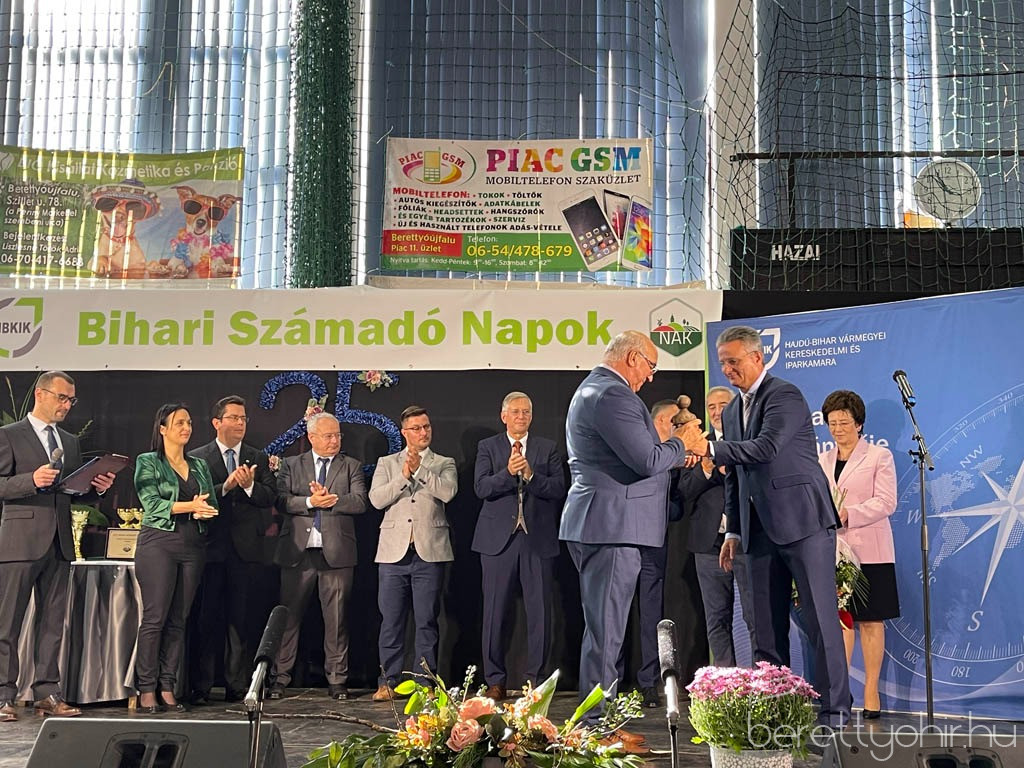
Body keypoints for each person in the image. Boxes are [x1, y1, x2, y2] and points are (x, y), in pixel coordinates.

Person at [679, 326, 851, 727]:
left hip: (804, 524)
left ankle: (835, 714)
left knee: (821, 624)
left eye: (733, 361)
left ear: (757, 358)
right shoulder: (732, 411)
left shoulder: (784, 395)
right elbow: (735, 477)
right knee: (765, 631)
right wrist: (733, 532)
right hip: (756, 533)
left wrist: (707, 447)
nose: (727, 369)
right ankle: (776, 714)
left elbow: (767, 448)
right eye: (722, 363)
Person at [560, 331, 689, 749]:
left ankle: (599, 721)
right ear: (633, 358)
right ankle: (595, 727)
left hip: (606, 524)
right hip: (610, 526)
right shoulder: (612, 394)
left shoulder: (599, 390)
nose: (651, 377)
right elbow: (647, 460)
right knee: (606, 633)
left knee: (606, 631)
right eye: (651, 366)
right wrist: (681, 444)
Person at [0, 371, 115, 722]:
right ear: (40, 394)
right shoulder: (9, 435)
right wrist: (30, 480)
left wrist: (96, 487)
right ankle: (3, 695)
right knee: (8, 623)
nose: (67, 405)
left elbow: (71, 490)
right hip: (20, 541)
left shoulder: (69, 441)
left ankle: (47, 693)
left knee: (52, 624)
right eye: (62, 398)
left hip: (60, 542)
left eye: (71, 400)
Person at [472, 391, 565, 701]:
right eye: (515, 412)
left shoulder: (547, 448)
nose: (521, 416)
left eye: (526, 412)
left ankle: (536, 680)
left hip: (537, 540)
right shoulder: (488, 447)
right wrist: (508, 474)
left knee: (540, 613)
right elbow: (481, 487)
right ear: (504, 416)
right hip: (497, 542)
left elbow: (558, 489)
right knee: (494, 612)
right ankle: (495, 680)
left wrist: (531, 475)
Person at [270, 412, 367, 701]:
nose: (335, 440)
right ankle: (279, 678)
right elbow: (281, 500)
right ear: (311, 437)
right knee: (288, 619)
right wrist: (311, 501)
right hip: (297, 553)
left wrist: (332, 500)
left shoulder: (351, 466)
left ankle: (337, 679)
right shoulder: (291, 464)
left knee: (337, 620)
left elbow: (360, 502)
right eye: (328, 436)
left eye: (338, 435)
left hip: (337, 555)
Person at [187, 395, 278, 705]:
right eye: (234, 418)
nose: (240, 423)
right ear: (217, 422)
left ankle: (237, 685)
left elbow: (270, 496)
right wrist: (226, 487)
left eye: (243, 419)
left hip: (245, 550)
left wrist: (249, 486)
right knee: (206, 618)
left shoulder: (256, 456)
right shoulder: (198, 457)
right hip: (209, 548)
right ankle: (201, 686)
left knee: (240, 621)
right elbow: (195, 496)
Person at [818, 389, 898, 720]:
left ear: (859, 423)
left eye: (844, 422)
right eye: (832, 423)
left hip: (871, 550)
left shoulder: (879, 456)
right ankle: (842, 692)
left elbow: (887, 501)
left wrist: (849, 513)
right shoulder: (822, 460)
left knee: (871, 619)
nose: (838, 429)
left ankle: (871, 693)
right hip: (834, 551)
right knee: (842, 620)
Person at [134, 403, 218, 714]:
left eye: (189, 422)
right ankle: (146, 688)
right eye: (179, 422)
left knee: (178, 620)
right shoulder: (148, 461)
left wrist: (204, 511)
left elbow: (211, 501)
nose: (186, 428)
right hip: (159, 542)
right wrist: (189, 506)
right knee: (155, 618)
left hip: (193, 544)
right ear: (162, 429)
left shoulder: (199, 464)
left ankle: (167, 685)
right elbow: (151, 503)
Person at [369, 405, 457, 702]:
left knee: (426, 620)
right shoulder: (387, 463)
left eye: (426, 427)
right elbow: (376, 499)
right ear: (404, 432)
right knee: (391, 621)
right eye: (417, 428)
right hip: (393, 554)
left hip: (429, 552)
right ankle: (388, 681)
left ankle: (424, 683)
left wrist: (420, 470)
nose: (423, 432)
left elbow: (447, 493)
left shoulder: (443, 462)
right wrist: (403, 476)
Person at [677, 386, 755, 667]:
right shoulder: (696, 444)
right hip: (709, 544)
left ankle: (759, 680)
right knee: (716, 617)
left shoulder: (749, 442)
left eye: (723, 405)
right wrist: (706, 469)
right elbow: (684, 490)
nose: (717, 411)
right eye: (711, 407)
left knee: (754, 616)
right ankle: (724, 681)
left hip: (747, 541)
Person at [627, 399, 681, 709]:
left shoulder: (675, 458)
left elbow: (678, 506)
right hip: (623, 544)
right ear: (659, 422)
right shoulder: (636, 450)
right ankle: (611, 682)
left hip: (654, 546)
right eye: (674, 422)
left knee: (651, 614)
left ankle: (648, 682)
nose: (678, 428)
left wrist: (660, 508)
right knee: (616, 615)